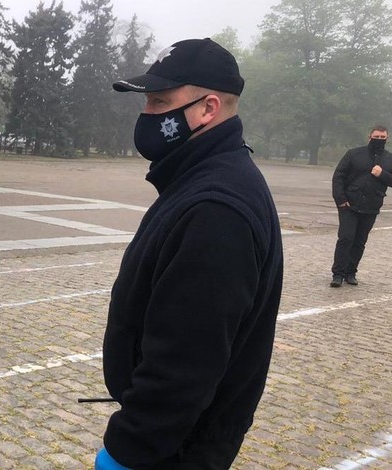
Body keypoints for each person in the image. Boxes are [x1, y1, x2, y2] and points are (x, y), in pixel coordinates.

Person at [97, 38, 284, 469]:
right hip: (178, 439)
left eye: (160, 101)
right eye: (147, 102)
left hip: (175, 450)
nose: (147, 115)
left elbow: (185, 363)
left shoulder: (215, 209)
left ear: (208, 108)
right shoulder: (201, 177)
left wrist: (126, 452)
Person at [329, 126, 392, 287]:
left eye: (382, 137)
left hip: (371, 206)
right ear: (369, 136)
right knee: (346, 238)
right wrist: (340, 200)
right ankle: (338, 274)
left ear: (387, 138)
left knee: (360, 241)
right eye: (376, 136)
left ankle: (351, 272)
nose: (379, 139)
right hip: (349, 204)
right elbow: (338, 176)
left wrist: (382, 174)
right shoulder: (354, 154)